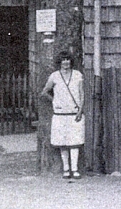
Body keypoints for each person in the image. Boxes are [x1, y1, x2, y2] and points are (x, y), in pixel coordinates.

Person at [41, 51, 85, 179]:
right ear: (59, 62)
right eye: (63, 60)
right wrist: (54, 101)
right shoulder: (54, 76)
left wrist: (80, 110)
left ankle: (75, 169)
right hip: (60, 113)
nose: (65, 62)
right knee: (62, 141)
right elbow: (44, 92)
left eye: (67, 60)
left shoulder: (77, 75)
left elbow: (82, 94)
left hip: (74, 113)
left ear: (71, 61)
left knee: (75, 141)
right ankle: (66, 168)